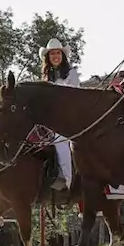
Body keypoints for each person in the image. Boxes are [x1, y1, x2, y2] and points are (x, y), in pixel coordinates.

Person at [40, 38, 78, 189]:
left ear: (63, 56)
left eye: (58, 53)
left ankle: (67, 180)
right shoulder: (46, 77)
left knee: (60, 139)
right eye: (52, 54)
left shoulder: (71, 73)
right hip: (50, 118)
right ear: (48, 58)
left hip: (69, 116)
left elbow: (74, 96)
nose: (55, 56)